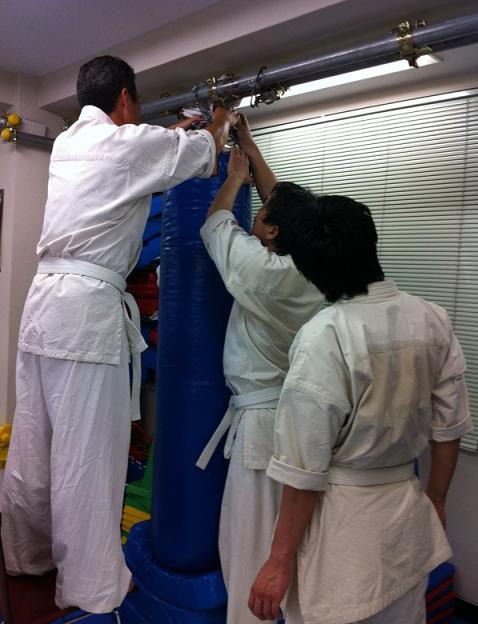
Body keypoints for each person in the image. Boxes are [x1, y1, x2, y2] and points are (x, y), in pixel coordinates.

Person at [1, 54, 238, 614]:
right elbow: (203, 155)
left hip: (43, 306)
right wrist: (220, 121)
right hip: (85, 314)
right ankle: (91, 586)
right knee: (87, 454)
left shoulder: (68, 143)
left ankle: (26, 555)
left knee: (35, 442)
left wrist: (170, 133)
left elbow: (139, 152)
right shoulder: (129, 146)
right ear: (126, 98)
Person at [248, 194, 473, 624]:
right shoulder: (432, 318)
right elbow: (450, 428)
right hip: (407, 519)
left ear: (310, 269)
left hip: (343, 531)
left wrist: (278, 561)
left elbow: (304, 469)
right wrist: (436, 500)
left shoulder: (325, 336)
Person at [197, 118, 324, 624]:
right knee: (288, 548)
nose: (261, 209)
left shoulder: (262, 271)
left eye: (265, 212)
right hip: (297, 421)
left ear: (271, 230)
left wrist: (233, 179)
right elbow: (292, 215)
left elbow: (214, 226)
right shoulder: (317, 270)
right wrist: (250, 146)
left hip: (261, 428)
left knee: (249, 549)